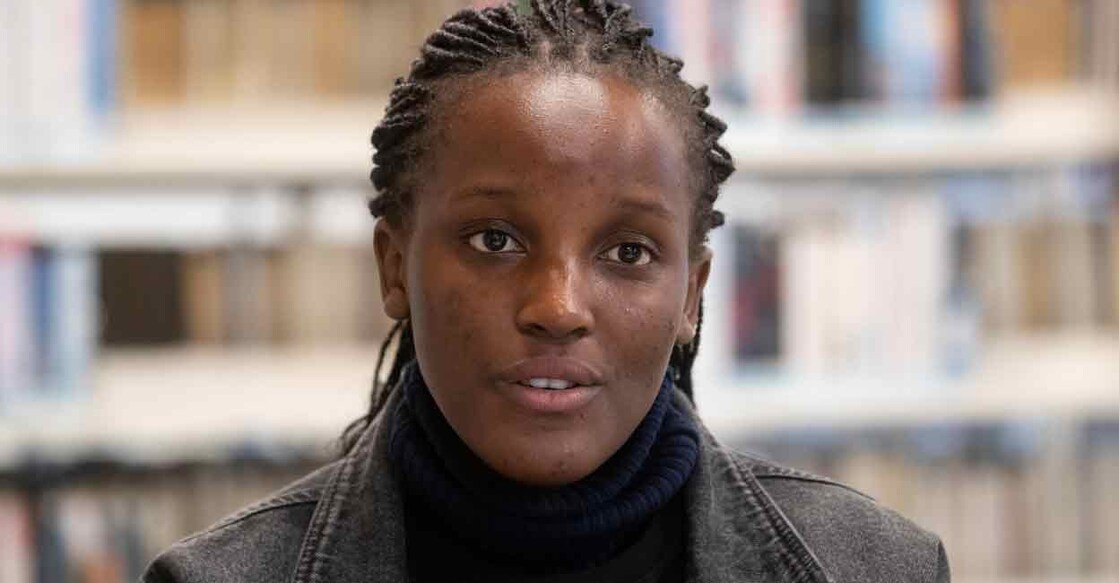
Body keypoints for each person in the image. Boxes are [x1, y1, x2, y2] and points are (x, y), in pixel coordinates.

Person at [143, 1, 950, 581]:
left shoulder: (875, 566)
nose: (558, 307)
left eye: (628, 250)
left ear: (691, 296)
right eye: (495, 241)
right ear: (394, 265)